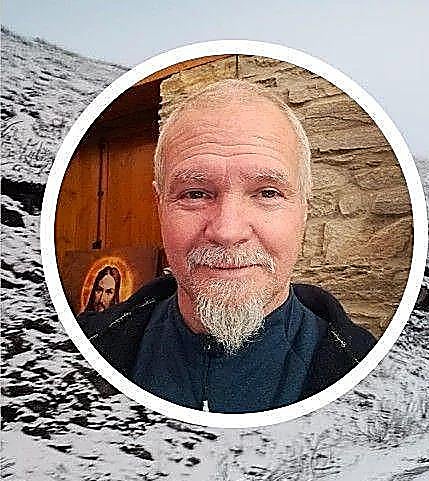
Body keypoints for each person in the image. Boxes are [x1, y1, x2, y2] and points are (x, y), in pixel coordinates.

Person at [77, 79, 376, 414]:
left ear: (304, 210)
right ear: (159, 206)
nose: (228, 231)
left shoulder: (374, 376)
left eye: (267, 193)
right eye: (194, 193)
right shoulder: (77, 350)